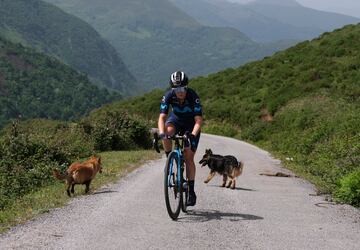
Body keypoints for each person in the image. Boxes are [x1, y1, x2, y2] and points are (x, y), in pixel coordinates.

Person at [158, 71, 203, 206]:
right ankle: (169, 158)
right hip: (176, 119)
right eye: (177, 89)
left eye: (182, 88)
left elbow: (198, 120)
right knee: (167, 132)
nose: (180, 92)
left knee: (188, 157)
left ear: (186, 87)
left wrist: (193, 134)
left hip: (191, 124)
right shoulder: (168, 96)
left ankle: (191, 191)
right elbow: (162, 117)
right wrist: (161, 133)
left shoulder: (193, 96)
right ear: (173, 89)